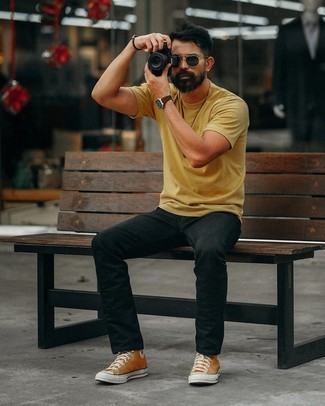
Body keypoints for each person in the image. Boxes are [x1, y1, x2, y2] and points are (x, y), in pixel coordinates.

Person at [91, 21, 249, 386]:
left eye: (191, 59)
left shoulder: (230, 105)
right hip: (171, 211)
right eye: (173, 59)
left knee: (209, 250)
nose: (181, 67)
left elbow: (199, 155)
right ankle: (130, 353)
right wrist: (132, 46)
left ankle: (207, 355)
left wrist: (162, 97)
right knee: (105, 244)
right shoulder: (161, 96)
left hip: (218, 212)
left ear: (208, 63)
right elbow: (102, 94)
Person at [273, 0, 325, 150]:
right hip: (297, 98)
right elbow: (279, 66)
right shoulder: (287, 30)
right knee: (298, 147)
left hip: (322, 100)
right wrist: (278, 98)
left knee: (321, 148)